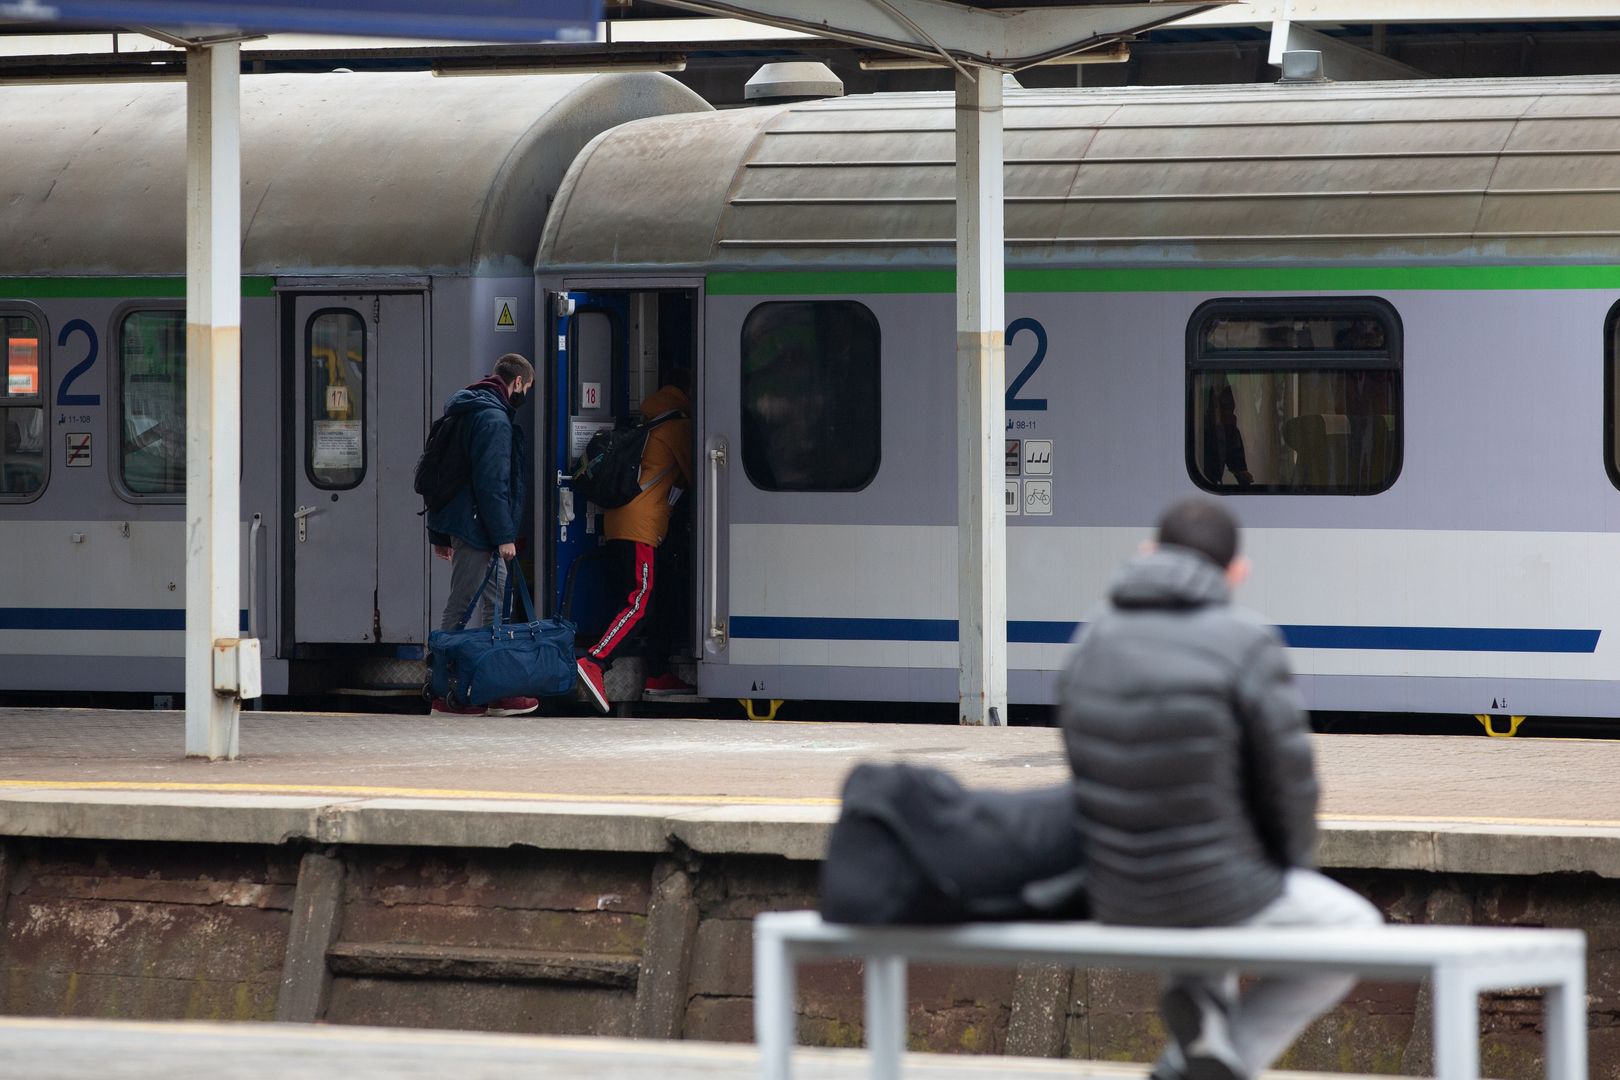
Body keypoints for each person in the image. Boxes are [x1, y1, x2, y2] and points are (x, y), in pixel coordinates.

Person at [1058, 499, 1381, 1080]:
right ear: (1236, 572)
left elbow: (1086, 776)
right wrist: (1289, 865)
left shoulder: (1090, 641)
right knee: (1353, 929)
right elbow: (1290, 788)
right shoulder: (1248, 642)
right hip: (1214, 889)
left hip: (1112, 889)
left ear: (1148, 553)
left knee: (1206, 899)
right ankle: (1219, 1059)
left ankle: (1201, 1031)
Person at [426, 352, 539, 719]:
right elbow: (492, 483)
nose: (524, 395)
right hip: (479, 530)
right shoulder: (493, 419)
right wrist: (504, 535)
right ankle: (444, 692)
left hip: (467, 525)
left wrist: (440, 533)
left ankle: (493, 688)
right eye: (527, 389)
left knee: (496, 607)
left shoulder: (466, 409)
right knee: (462, 607)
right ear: (518, 382)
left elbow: (441, 477)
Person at [575, 371, 695, 712]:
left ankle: (657, 673)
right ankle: (596, 661)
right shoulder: (679, 427)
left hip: (621, 522)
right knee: (639, 602)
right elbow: (698, 475)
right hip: (640, 528)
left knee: (659, 599)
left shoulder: (653, 421)